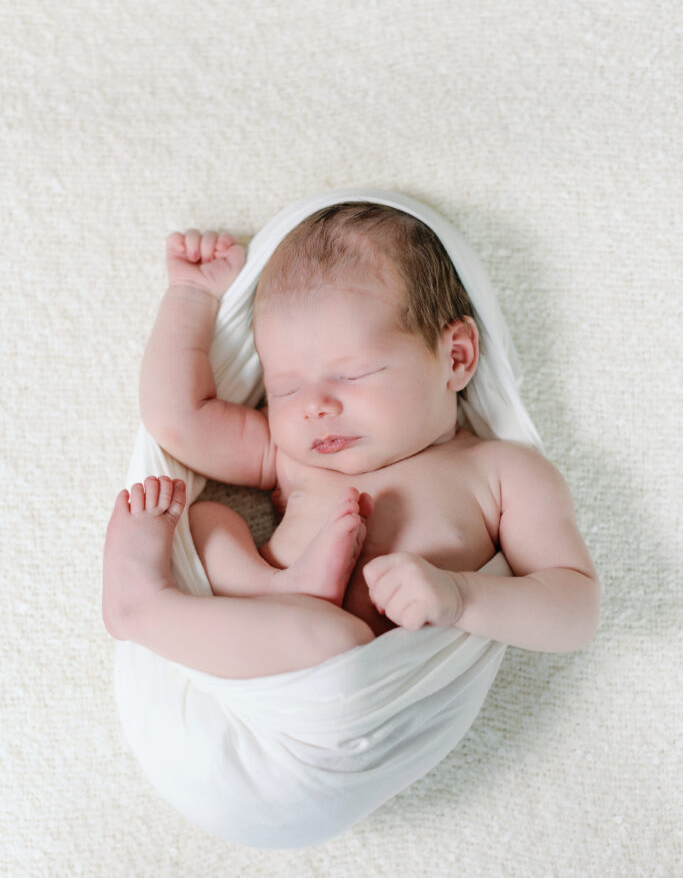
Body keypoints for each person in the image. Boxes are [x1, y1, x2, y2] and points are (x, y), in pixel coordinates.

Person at [102, 203, 600, 678]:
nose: (314, 406)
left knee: (340, 642)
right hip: (262, 640)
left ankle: (148, 610)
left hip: (357, 676)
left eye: (354, 374)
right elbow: (178, 419)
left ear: (456, 356)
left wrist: (461, 596)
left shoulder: (500, 471)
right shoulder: (292, 456)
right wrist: (191, 295)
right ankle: (229, 593)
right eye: (286, 388)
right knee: (204, 519)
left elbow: (574, 609)